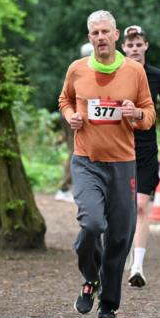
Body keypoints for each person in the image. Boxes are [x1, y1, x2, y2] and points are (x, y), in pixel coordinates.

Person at [58, 10, 155, 318]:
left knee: (119, 237)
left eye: (105, 32)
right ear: (90, 38)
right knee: (92, 226)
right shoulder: (77, 70)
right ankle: (90, 278)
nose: (100, 37)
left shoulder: (134, 72)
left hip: (123, 165)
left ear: (116, 37)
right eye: (95, 33)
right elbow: (65, 100)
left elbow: (149, 112)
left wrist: (136, 115)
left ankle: (109, 302)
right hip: (86, 161)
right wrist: (70, 115)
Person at [122, 25, 160, 288]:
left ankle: (137, 266)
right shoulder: (115, 75)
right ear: (123, 48)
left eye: (138, 44)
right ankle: (115, 257)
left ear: (146, 46)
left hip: (145, 149)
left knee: (141, 206)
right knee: (120, 209)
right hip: (116, 147)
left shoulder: (159, 76)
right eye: (129, 45)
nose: (134, 48)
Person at [54, 43, 94, 202]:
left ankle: (75, 187)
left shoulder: (80, 68)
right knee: (75, 150)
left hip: (75, 115)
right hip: (73, 116)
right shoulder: (80, 71)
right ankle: (65, 188)